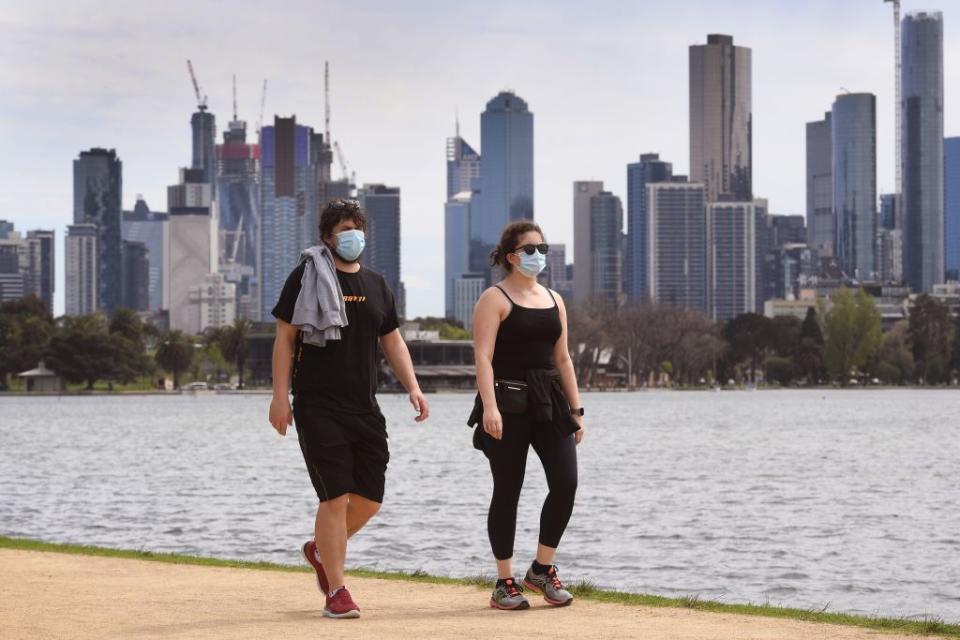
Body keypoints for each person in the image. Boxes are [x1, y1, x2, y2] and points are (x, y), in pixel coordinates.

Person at [268, 198, 429, 619]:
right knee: (334, 497)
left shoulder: (377, 284)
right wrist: (279, 396)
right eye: (343, 230)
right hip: (318, 404)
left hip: (365, 406)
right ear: (326, 237)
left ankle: (321, 551)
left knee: (370, 499)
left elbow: (392, 340)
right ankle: (337, 591)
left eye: (357, 228)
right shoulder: (307, 277)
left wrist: (413, 386)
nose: (352, 236)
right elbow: (285, 339)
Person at [469, 220, 584, 610]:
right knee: (508, 489)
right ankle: (504, 581)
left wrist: (577, 409)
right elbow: (482, 357)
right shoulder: (494, 298)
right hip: (507, 401)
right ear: (511, 256)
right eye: (530, 249)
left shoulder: (555, 298)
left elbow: (563, 358)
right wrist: (489, 407)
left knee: (566, 482)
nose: (538, 255)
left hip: (549, 401)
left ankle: (541, 569)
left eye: (542, 248)